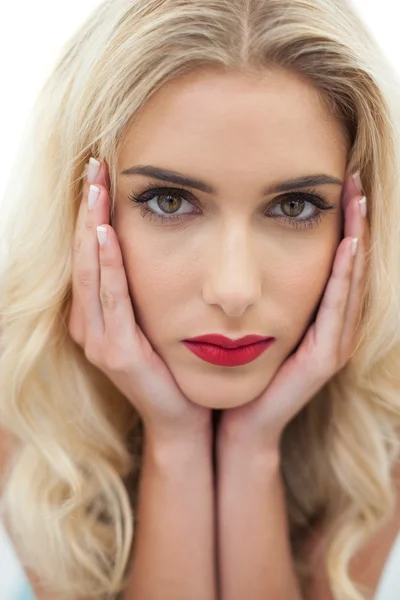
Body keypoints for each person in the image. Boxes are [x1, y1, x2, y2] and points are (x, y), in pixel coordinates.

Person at [1, 0, 400, 598]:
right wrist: (177, 441)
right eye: (168, 201)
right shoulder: (22, 399)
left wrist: (251, 447)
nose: (234, 291)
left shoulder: (381, 420)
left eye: (294, 206)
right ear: (80, 210)